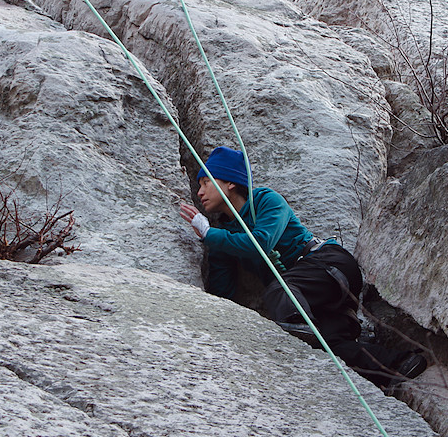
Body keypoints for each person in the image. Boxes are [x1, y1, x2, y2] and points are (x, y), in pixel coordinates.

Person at [179, 146, 426, 390]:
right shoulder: (224, 238)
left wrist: (209, 233)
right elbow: (222, 293)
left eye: (205, 183)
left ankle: (296, 330)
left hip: (328, 265)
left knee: (278, 290)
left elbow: (261, 242)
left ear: (230, 182)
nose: (200, 192)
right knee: (332, 346)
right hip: (315, 298)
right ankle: (399, 364)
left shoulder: (265, 200)